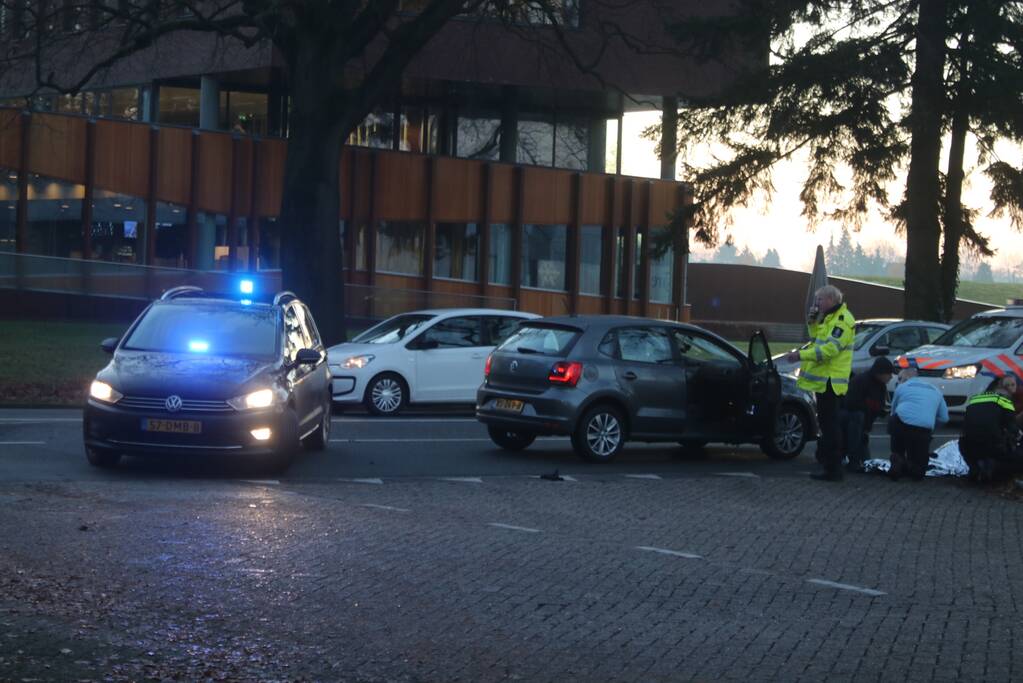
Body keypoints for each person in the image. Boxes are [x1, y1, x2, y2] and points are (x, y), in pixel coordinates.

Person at [785, 284, 856, 481]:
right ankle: (829, 465)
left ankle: (833, 469)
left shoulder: (842, 320)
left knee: (830, 426)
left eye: (820, 300)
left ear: (831, 300)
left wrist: (799, 355)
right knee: (827, 425)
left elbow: (828, 351)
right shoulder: (829, 319)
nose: (817, 304)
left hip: (831, 382)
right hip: (825, 382)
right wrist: (813, 323)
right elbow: (817, 339)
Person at [888, 368, 949, 480]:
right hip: (923, 429)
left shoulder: (901, 387)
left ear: (905, 378)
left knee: (894, 426)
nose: (898, 382)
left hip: (900, 423)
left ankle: (898, 456)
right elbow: (945, 418)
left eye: (899, 379)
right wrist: (930, 425)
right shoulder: (936, 390)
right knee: (919, 472)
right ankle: (913, 466)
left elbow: (893, 411)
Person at [960, 375, 1023, 482]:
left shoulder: (975, 399)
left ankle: (975, 468)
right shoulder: (1004, 400)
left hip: (967, 447)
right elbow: (1013, 429)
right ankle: (993, 472)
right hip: (993, 447)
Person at [840, 356, 895, 472]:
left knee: (866, 458)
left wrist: (880, 411)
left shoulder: (880, 386)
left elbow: (876, 406)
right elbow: (850, 404)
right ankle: (853, 460)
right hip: (851, 420)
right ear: (880, 373)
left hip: (863, 423)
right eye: (888, 374)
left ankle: (859, 460)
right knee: (857, 421)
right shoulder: (860, 381)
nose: (891, 377)